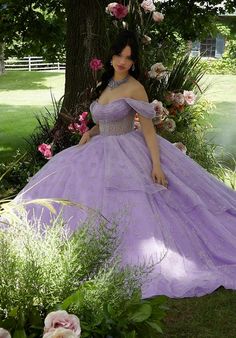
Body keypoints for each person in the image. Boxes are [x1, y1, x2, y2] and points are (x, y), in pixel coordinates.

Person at [15, 30, 236, 299]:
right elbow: (104, 120)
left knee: (135, 202)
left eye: (128, 58)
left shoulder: (136, 88)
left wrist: (156, 165)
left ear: (134, 62)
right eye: (119, 55)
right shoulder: (106, 84)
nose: (122, 61)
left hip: (128, 149)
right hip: (97, 147)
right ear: (111, 57)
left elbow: (148, 130)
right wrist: (90, 132)